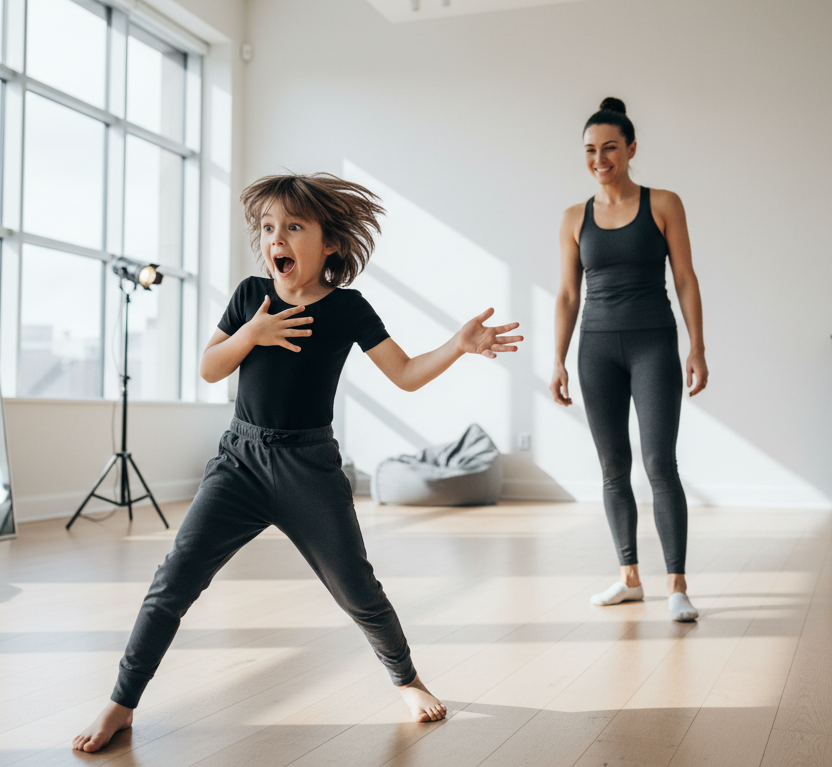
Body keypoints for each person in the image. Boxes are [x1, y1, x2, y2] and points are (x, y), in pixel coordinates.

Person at [73, 173, 524, 753]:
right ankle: (121, 702)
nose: (276, 238)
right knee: (173, 583)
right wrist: (252, 334)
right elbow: (211, 368)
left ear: (328, 244)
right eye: (268, 228)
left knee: (357, 588)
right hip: (240, 460)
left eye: (293, 226)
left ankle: (406, 679)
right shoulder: (250, 297)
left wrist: (459, 346)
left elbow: (407, 375)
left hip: (308, 465)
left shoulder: (347, 308)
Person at [549, 98, 708, 623]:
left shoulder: (663, 203)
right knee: (613, 469)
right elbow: (568, 295)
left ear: (631, 149)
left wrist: (697, 347)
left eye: (610, 148)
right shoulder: (575, 217)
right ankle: (629, 578)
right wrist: (558, 359)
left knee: (661, 465)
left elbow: (684, 278)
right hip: (595, 348)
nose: (599, 158)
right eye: (591, 150)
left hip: (652, 345)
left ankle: (678, 585)